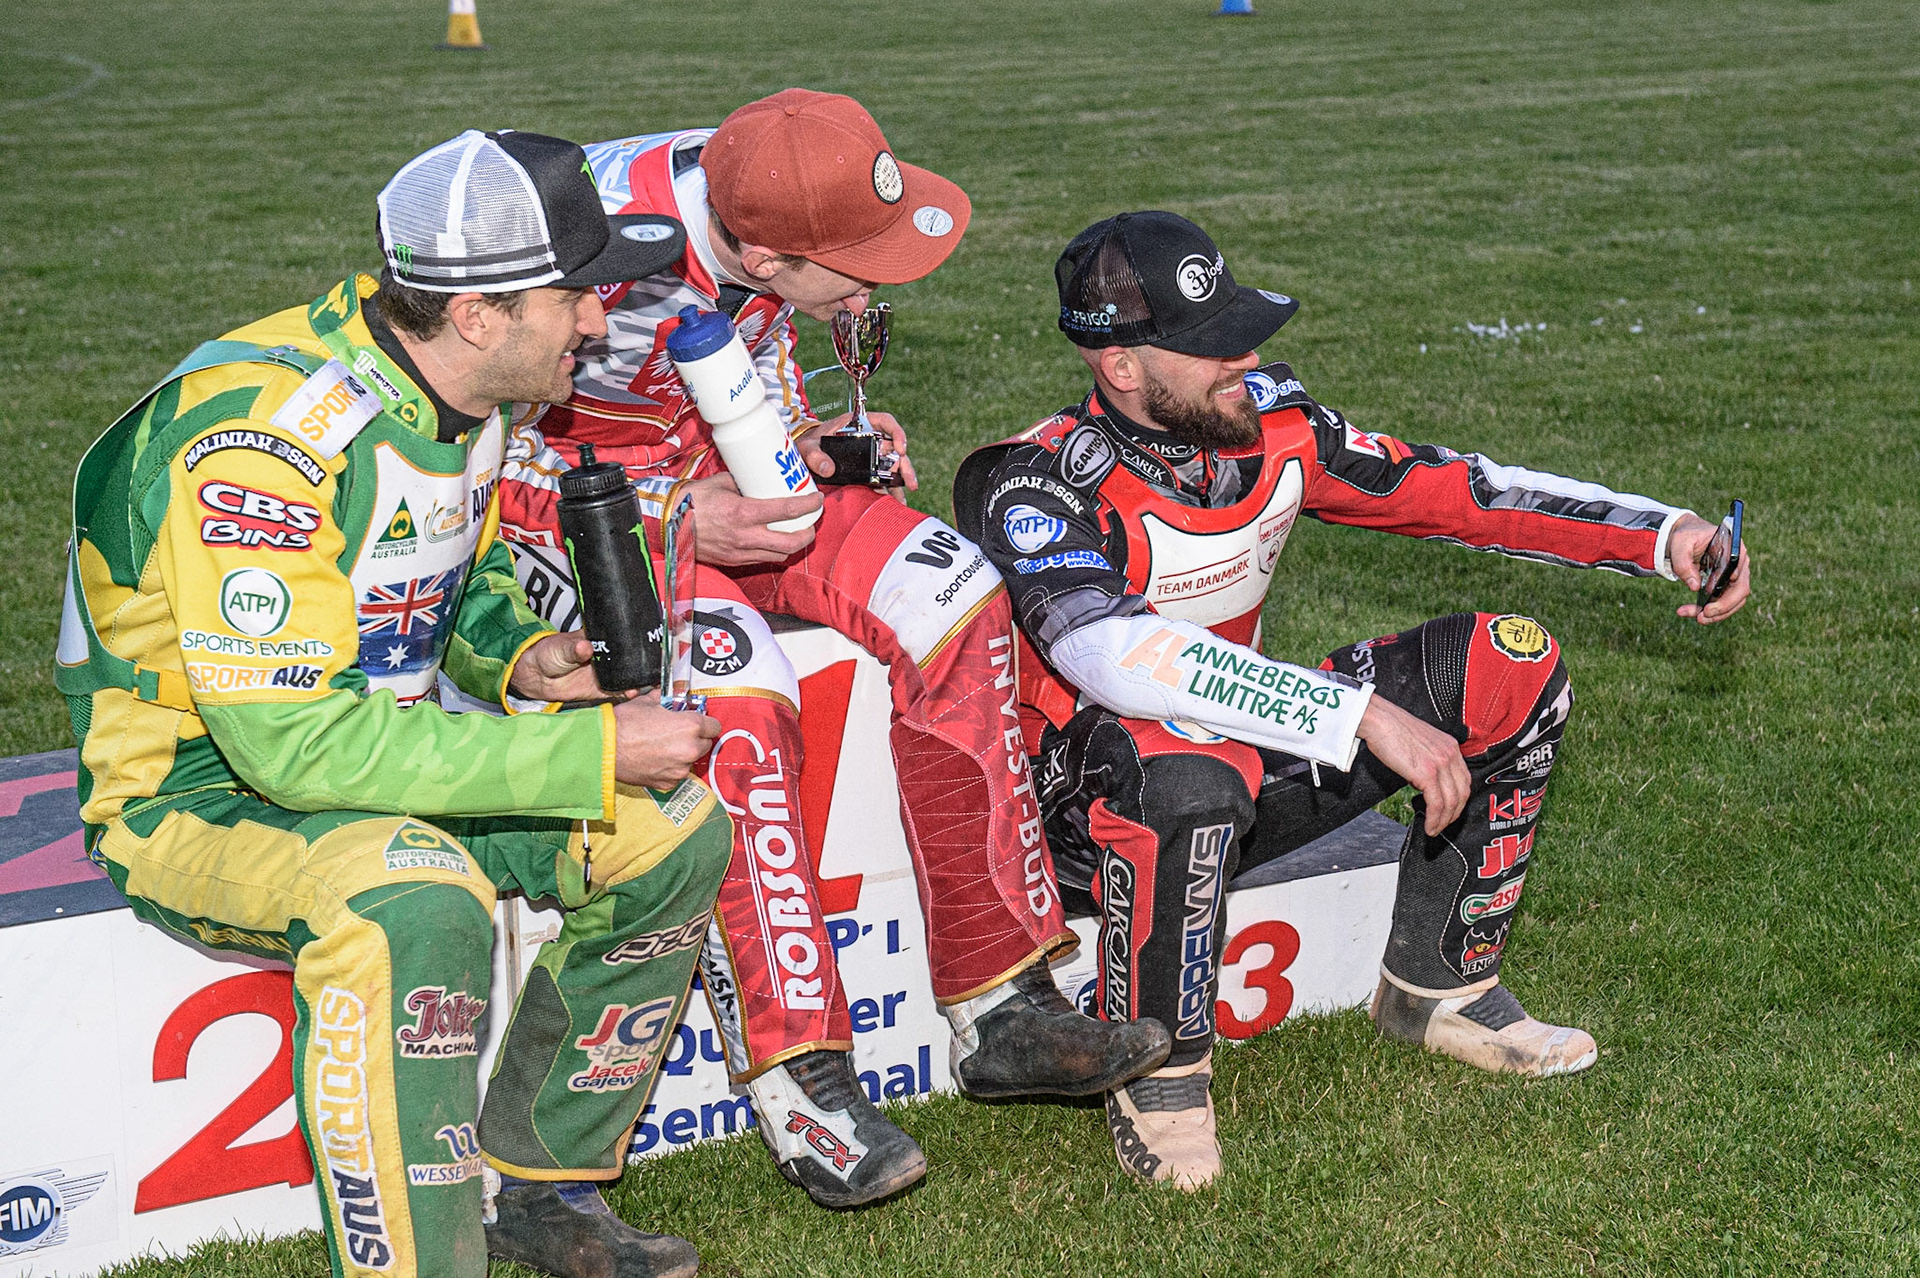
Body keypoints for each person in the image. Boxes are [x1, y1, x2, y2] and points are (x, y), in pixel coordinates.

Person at [953, 210, 1753, 1190]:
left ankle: (1441, 989)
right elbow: (1109, 655)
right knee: (1187, 761)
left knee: (1508, 662)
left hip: (1231, 771)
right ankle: (1161, 1073)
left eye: (1243, 332)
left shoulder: (1275, 429)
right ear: (1121, 365)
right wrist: (1355, 714)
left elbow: (1458, 491)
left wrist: (1661, 535)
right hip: (1073, 829)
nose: (1244, 360)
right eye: (1212, 346)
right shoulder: (1035, 480)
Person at [57, 130, 736, 1278]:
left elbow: (441, 575)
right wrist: (587, 755)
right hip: (199, 794)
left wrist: (520, 658)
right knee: (414, 904)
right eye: (575, 296)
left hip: (380, 750)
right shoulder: (260, 444)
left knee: (673, 833)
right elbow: (292, 750)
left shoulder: (470, 388)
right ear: (476, 315)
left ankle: (547, 1190)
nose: (597, 321)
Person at [495, 89, 1171, 1207]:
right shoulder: (578, 241)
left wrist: (804, 437)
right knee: (736, 686)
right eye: (857, 267)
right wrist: (674, 514)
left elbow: (748, 355)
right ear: (762, 250)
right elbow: (469, 461)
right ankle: (801, 1078)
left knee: (956, 589)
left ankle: (1003, 1004)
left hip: (715, 487)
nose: (878, 287)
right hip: (575, 521)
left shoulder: (761, 187)